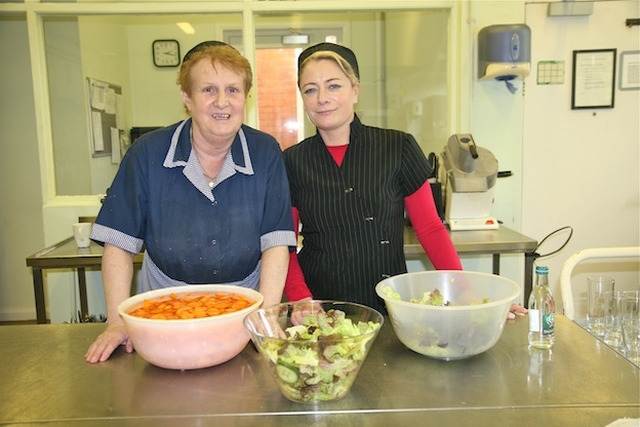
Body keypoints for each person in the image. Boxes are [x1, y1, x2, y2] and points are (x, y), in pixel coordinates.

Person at [85, 41, 296, 363]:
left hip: (247, 307)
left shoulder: (265, 152)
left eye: (233, 90)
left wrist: (265, 314)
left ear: (245, 97)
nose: (222, 102)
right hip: (164, 305)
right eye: (208, 89)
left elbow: (276, 243)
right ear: (187, 98)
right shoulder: (147, 153)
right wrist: (117, 322)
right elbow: (118, 243)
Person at [282, 42, 526, 319]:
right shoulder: (291, 161)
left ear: (356, 90)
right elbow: (284, 245)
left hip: (389, 304)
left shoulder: (397, 147)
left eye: (334, 85)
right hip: (320, 308)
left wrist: (465, 294)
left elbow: (431, 229)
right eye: (310, 89)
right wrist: (301, 298)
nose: (322, 98)